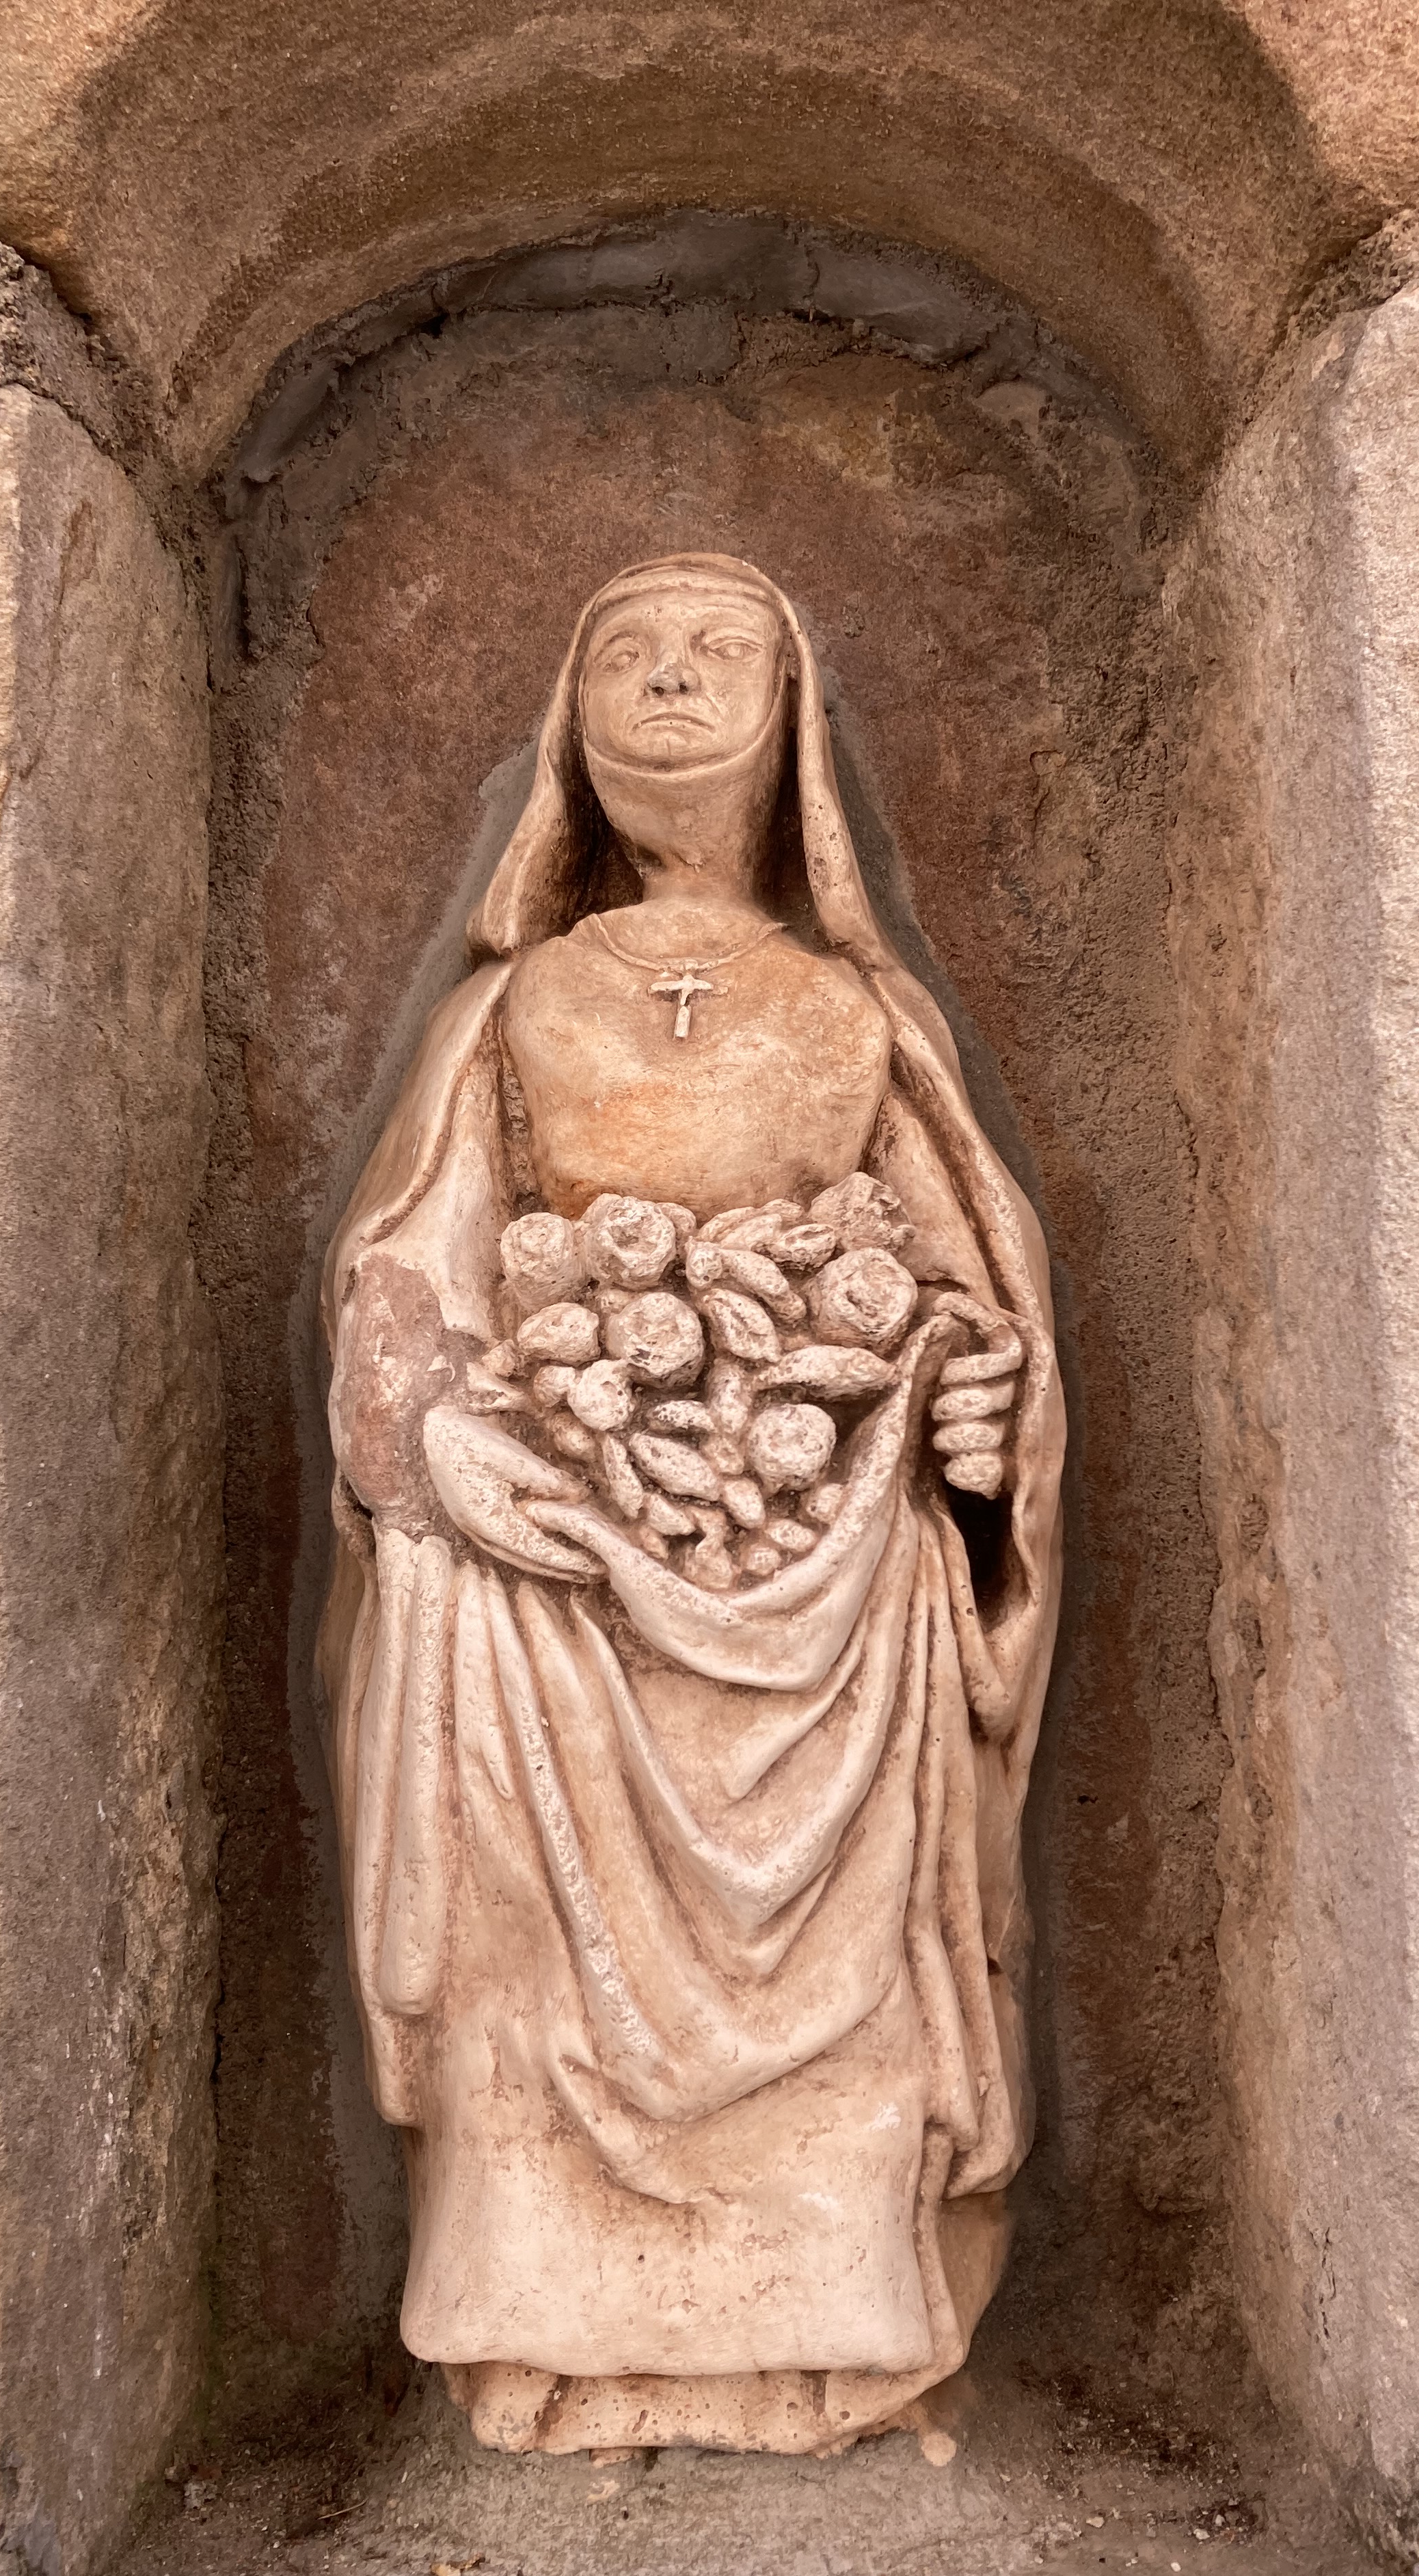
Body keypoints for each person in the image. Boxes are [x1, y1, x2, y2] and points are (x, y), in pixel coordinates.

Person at [316, 554, 1064, 2453]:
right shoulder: (508, 1015)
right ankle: (547, 2330)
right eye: (626, 656)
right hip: (552, 1585)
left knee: (850, 1962)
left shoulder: (855, 1016)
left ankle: (824, 2331)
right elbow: (409, 1274)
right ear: (568, 731)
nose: (669, 682)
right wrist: (444, 1448)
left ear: (790, 719)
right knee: (524, 1944)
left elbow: (966, 1293)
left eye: (719, 652)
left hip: (825, 1582)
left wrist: (978, 1409)